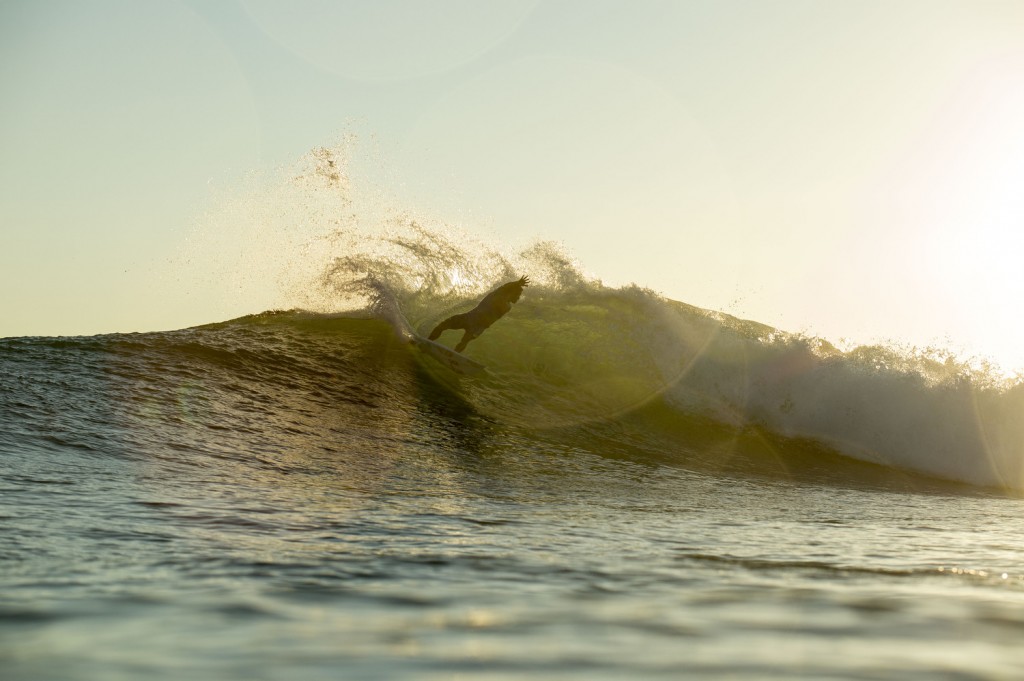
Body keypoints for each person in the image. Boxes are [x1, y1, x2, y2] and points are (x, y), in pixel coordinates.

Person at [428, 276, 529, 353]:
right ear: (511, 293)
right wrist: (517, 283)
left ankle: (451, 356)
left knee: (464, 341)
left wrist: (480, 329)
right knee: (442, 326)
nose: (518, 297)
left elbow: (491, 320)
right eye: (518, 295)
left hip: (476, 326)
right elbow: (504, 287)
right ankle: (427, 342)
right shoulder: (498, 295)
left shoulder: (507, 307)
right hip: (469, 318)